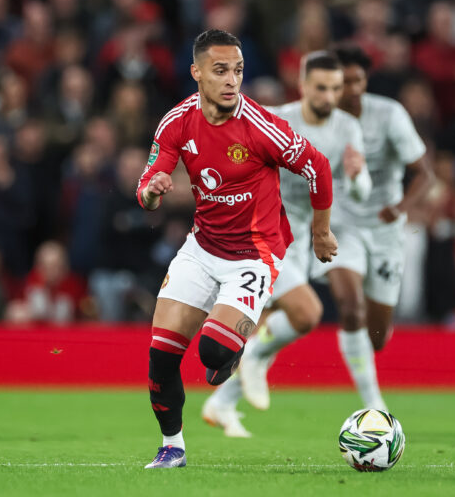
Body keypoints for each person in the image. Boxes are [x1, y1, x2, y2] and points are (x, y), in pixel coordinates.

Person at [135, 29, 337, 469]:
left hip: (254, 254)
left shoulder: (261, 127)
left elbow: (318, 167)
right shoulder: (176, 122)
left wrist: (321, 233)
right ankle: (172, 447)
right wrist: (154, 191)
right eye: (221, 70)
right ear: (197, 73)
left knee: (212, 353)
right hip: (201, 250)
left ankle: (233, 348)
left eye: (238, 71)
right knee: (160, 356)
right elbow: (145, 189)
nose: (232, 81)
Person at [202, 51, 371, 437]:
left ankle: (222, 401)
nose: (329, 96)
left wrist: (358, 176)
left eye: (335, 88)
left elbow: (360, 192)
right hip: (265, 232)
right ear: (303, 85)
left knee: (278, 320)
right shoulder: (277, 120)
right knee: (304, 312)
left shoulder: (347, 127)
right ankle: (252, 362)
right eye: (321, 88)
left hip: (304, 241)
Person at [315, 44, 433, 410]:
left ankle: (375, 331)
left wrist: (400, 207)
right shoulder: (319, 120)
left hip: (384, 230)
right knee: (350, 306)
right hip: (343, 226)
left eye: (358, 80)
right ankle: (373, 403)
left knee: (377, 336)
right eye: (343, 82)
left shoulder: (390, 115)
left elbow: (424, 175)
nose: (351, 89)